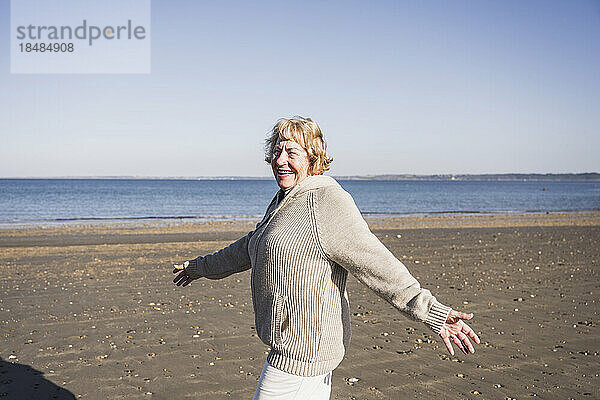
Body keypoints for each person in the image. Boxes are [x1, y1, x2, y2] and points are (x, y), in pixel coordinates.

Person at [172, 116, 480, 399]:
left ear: (313, 157)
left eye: (291, 153)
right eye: (277, 151)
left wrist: (432, 313)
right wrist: (200, 267)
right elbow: (250, 246)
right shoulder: (285, 200)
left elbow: (378, 265)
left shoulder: (326, 201)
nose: (280, 161)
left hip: (301, 355)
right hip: (296, 350)